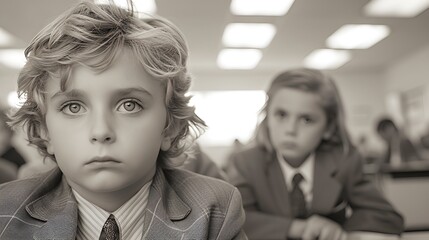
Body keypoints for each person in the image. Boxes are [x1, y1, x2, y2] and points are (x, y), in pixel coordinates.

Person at [0, 1, 247, 239]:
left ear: (170, 126)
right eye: (73, 107)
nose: (101, 131)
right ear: (45, 130)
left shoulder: (215, 211)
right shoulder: (5, 211)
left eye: (129, 105)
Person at [225, 68, 404, 240]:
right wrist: (296, 228)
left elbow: (388, 218)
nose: (290, 129)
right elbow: (233, 220)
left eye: (307, 119)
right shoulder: (246, 162)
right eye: (281, 115)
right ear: (267, 118)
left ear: (328, 128)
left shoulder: (344, 160)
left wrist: (335, 228)